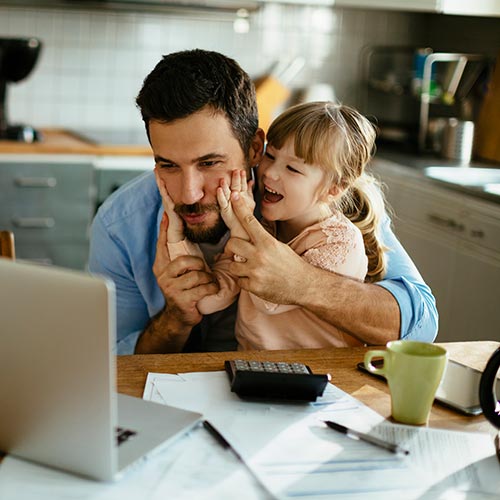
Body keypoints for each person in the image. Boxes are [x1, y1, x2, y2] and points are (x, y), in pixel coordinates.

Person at [88, 49, 438, 355]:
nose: (189, 194)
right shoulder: (121, 224)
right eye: (168, 165)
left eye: (210, 164)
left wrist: (302, 283)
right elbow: (111, 364)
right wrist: (176, 317)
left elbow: (420, 322)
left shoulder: (318, 201)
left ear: (256, 148)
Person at [161, 102, 387, 349]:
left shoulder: (340, 243)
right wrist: (176, 235)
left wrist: (240, 225)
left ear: (334, 189)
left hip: (320, 375)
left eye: (292, 168)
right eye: (270, 155)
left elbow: (269, 299)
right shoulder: (266, 227)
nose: (269, 173)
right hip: (255, 370)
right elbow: (208, 301)